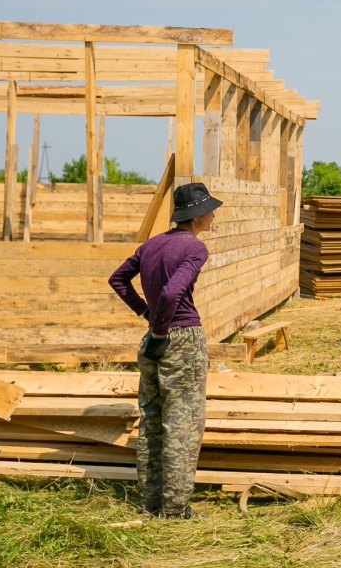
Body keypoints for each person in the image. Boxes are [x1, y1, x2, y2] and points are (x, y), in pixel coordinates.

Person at [108, 181, 221, 519]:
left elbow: (118, 279)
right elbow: (173, 294)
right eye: (209, 210)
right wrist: (159, 328)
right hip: (181, 338)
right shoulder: (194, 249)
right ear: (198, 215)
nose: (213, 215)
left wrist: (146, 315)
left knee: (153, 419)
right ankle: (174, 508)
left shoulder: (152, 245)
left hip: (153, 340)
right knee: (183, 423)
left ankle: (149, 501)